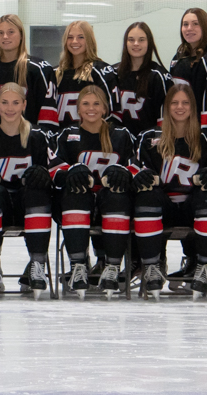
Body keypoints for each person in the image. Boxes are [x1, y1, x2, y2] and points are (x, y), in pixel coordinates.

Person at [131, 83, 207, 300]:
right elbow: (134, 168)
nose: (179, 107)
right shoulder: (149, 138)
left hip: (193, 209)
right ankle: (152, 266)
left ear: (192, 107)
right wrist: (139, 175)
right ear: (166, 107)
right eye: (174, 103)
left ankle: (205, 265)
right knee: (147, 195)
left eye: (185, 103)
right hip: (164, 208)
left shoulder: (205, 139)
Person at [49, 85, 139, 299]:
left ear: (105, 108)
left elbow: (137, 166)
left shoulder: (121, 134)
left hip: (111, 203)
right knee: (74, 193)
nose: (91, 108)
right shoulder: (67, 135)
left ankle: (112, 266)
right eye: (86, 104)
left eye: (96, 103)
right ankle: (78, 265)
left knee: (118, 195)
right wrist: (70, 172)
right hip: (82, 204)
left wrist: (125, 173)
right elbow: (53, 167)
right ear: (78, 109)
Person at [0, 83, 54, 299]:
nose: (10, 108)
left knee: (38, 190)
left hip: (28, 208)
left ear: (24, 105)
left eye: (16, 102)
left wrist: (45, 176)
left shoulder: (38, 136)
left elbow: (55, 171)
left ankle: (37, 263)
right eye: (4, 102)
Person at [0, 14, 59, 131]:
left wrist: (40, 141)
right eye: (0, 32)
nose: (5, 36)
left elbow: (47, 116)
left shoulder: (39, 69)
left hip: (28, 142)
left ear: (21, 35)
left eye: (11, 32)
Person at [169, 8, 207, 138]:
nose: (189, 28)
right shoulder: (178, 58)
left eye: (195, 24)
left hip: (200, 134)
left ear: (205, 27)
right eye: (185, 24)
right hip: (180, 131)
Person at [113, 22, 172, 140]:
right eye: (131, 40)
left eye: (141, 40)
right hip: (119, 145)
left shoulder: (159, 76)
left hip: (148, 146)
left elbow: (165, 120)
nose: (136, 44)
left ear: (149, 43)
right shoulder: (113, 74)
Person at [55, 20, 118, 126]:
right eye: (70, 37)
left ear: (89, 40)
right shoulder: (56, 73)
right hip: (63, 139)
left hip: (93, 138)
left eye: (81, 37)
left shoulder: (101, 71)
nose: (74, 41)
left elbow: (112, 112)